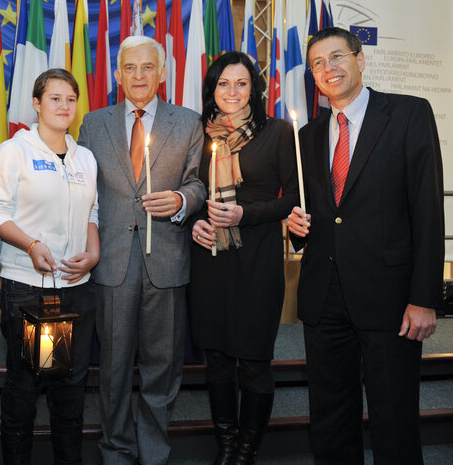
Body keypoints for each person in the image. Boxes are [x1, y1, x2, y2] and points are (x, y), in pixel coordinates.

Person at [287, 27, 443, 464]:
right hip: (325, 300)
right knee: (331, 424)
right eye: (318, 63)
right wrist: (297, 227)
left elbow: (428, 211)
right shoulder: (308, 137)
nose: (328, 69)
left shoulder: (410, 114)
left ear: (359, 59)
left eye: (336, 57)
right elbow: (319, 217)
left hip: (391, 301)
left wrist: (424, 298)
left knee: (394, 422)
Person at [78, 35, 204, 465]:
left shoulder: (187, 122)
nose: (138, 76)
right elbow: (79, 188)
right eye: (129, 68)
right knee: (113, 369)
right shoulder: (93, 124)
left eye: (147, 67)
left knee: (162, 367)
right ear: (117, 74)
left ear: (162, 73)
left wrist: (182, 201)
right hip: (111, 262)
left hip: (166, 259)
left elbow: (198, 183)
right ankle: (115, 449)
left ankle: (153, 452)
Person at [0, 68, 98, 464]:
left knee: (71, 387)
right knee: (25, 387)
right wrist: (31, 245)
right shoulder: (14, 151)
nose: (64, 106)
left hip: (76, 287)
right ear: (36, 103)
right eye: (54, 98)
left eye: (70, 99)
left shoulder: (85, 157)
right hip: (27, 287)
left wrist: (94, 254)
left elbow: (92, 214)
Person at [187, 51, 297, 464]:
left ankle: (247, 450)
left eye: (241, 83)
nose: (231, 92)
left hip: (257, 261)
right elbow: (191, 191)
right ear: (211, 89)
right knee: (216, 361)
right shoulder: (198, 134)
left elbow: (294, 198)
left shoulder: (278, 132)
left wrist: (244, 214)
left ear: (255, 88)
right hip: (210, 261)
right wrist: (194, 220)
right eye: (223, 84)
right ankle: (227, 446)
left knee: (253, 362)